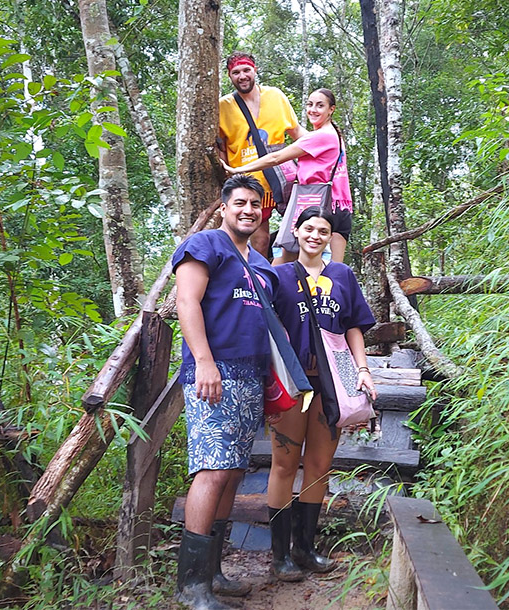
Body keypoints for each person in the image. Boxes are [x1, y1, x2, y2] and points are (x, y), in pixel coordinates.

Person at [171, 174, 279, 609]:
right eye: (240, 203)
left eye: (255, 204)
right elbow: (186, 302)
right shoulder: (204, 246)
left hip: (250, 378)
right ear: (224, 207)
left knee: (233, 473)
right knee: (212, 470)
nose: (248, 210)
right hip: (211, 376)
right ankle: (191, 586)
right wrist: (204, 360)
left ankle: (212, 572)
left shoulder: (263, 264)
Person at [264, 207, 377, 581]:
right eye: (309, 228)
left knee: (318, 465)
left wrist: (362, 370)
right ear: (295, 232)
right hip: (294, 384)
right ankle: (280, 555)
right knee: (283, 464)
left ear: (331, 238)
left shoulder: (342, 275)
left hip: (332, 384)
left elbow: (354, 327)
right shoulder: (277, 276)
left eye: (323, 231)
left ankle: (306, 547)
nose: (315, 235)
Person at [221, 88, 354, 264]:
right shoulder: (336, 135)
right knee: (332, 269)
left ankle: (261, 289)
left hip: (316, 203)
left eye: (320, 106)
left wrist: (238, 170)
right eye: (310, 104)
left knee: (283, 260)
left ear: (331, 109)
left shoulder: (320, 136)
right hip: (340, 206)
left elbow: (275, 157)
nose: (313, 110)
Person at [218, 52, 307, 258]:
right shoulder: (223, 106)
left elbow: (298, 133)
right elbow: (221, 147)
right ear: (229, 76)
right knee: (260, 240)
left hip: (283, 179)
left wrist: (326, 143)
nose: (242, 76)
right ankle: (258, 282)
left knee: (300, 232)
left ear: (255, 70)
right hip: (249, 182)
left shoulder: (275, 96)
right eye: (236, 72)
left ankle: (293, 283)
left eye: (246, 70)